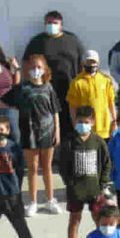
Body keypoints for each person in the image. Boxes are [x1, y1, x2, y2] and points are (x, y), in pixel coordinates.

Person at [2, 53, 61, 216]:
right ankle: (33, 202)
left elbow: (55, 111)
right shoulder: (23, 88)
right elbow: (6, 100)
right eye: (33, 67)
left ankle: (50, 200)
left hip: (48, 132)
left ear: (45, 69)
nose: (36, 70)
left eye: (39, 67)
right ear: (28, 69)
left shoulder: (49, 87)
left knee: (47, 167)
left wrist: (57, 131)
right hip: (29, 133)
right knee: (33, 168)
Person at [60, 106, 112, 238]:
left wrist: (102, 185)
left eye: (86, 122)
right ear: (75, 122)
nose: (83, 125)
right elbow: (62, 165)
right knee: (74, 220)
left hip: (95, 190)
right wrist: (69, 183)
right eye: (80, 122)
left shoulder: (98, 141)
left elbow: (106, 164)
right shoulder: (69, 141)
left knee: (99, 221)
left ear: (93, 122)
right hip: (76, 190)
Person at [23, 10, 86, 143]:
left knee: (72, 123)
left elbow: (83, 63)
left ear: (61, 24)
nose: (52, 25)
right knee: (49, 126)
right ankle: (54, 159)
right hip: (46, 91)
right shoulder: (37, 42)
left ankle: (72, 152)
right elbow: (26, 63)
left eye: (55, 23)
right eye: (49, 23)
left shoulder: (72, 40)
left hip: (70, 90)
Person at [67, 50, 117, 140]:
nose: (91, 64)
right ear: (83, 63)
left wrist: (114, 120)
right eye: (88, 61)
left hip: (104, 127)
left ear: (97, 63)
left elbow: (111, 102)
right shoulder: (77, 82)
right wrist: (75, 123)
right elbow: (72, 106)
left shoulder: (105, 80)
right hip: (86, 127)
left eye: (93, 62)